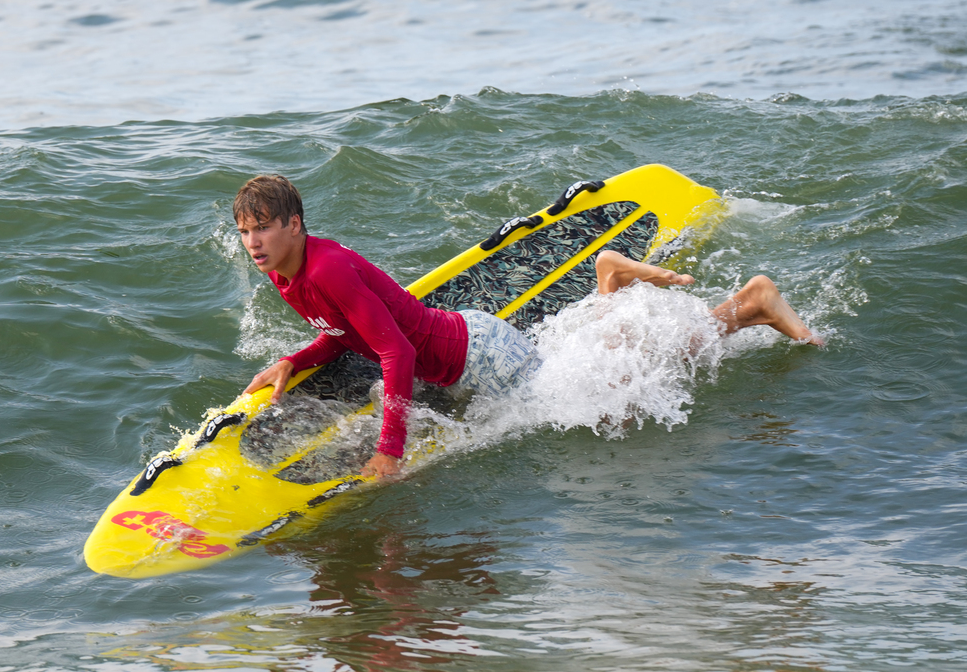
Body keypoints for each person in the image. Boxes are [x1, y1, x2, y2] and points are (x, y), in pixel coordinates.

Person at [237, 175, 820, 479]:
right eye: (244, 231)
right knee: (577, 362)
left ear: (296, 224)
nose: (253, 242)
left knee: (611, 395)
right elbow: (346, 331)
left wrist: (391, 452)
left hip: (480, 355)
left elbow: (396, 355)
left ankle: (749, 306)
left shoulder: (328, 267)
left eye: (263, 227)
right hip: (467, 344)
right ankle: (609, 282)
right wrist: (298, 359)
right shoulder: (286, 270)